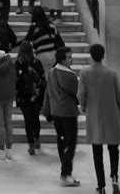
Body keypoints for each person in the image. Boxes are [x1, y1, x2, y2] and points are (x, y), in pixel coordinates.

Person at [79, 43, 120, 194]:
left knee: (97, 152)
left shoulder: (85, 73)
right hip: (111, 113)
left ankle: (101, 186)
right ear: (103, 55)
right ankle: (114, 176)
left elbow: (81, 94)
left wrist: (83, 106)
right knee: (114, 149)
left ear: (91, 56)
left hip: (95, 114)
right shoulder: (111, 73)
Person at [42, 46, 80, 187]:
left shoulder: (52, 72)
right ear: (62, 59)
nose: (71, 59)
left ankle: (65, 171)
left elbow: (48, 92)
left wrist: (46, 110)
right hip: (68, 113)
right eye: (69, 57)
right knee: (71, 143)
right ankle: (65, 173)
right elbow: (78, 94)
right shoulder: (70, 76)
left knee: (61, 140)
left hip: (56, 112)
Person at [15, 41, 45, 155]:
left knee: (27, 120)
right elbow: (42, 78)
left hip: (23, 96)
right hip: (36, 95)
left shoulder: (18, 63)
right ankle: (37, 140)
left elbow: (16, 80)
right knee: (36, 118)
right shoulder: (37, 62)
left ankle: (31, 145)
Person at [25, 6, 65, 76]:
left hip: (41, 55)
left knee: (44, 77)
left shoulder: (34, 27)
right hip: (53, 55)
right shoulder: (52, 26)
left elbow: (27, 41)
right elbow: (60, 41)